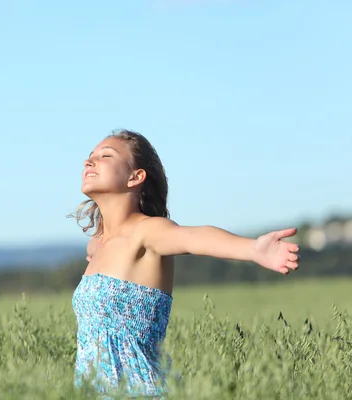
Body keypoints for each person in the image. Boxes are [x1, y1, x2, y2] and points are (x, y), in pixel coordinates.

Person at [69, 129, 300, 398]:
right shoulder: (99, 244)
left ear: (136, 176)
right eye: (90, 157)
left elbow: (193, 238)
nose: (89, 162)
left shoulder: (148, 232)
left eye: (105, 155)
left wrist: (253, 249)